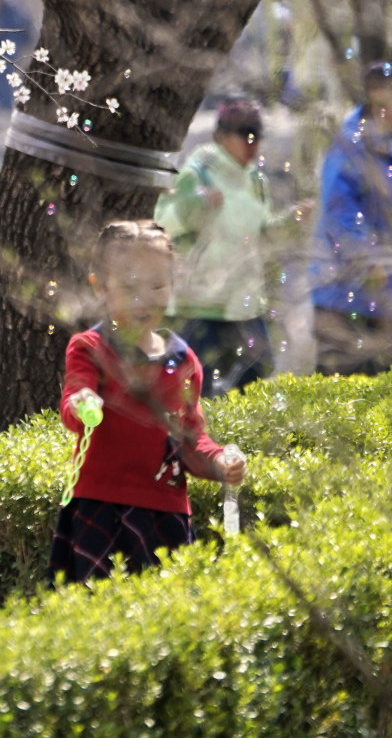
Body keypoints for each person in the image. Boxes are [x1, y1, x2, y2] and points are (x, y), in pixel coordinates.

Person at [49, 220, 246, 586]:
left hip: (166, 511)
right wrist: (83, 402)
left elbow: (191, 439)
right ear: (101, 287)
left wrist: (219, 462)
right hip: (100, 507)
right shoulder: (91, 349)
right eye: (130, 287)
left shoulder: (184, 361)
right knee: (98, 616)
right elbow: (73, 402)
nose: (145, 298)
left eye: (157, 285)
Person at [154, 98, 312, 395]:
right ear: (222, 136)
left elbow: (262, 234)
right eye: (245, 135)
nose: (252, 144)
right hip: (203, 302)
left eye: (257, 136)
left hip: (244, 299)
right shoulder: (197, 171)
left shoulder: (255, 180)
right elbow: (163, 222)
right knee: (194, 384)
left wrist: (292, 220)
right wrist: (196, 204)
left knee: (258, 372)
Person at [310, 60, 392, 375]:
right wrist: (366, 255)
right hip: (341, 295)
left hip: (377, 296)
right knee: (343, 392)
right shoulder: (351, 142)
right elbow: (338, 207)